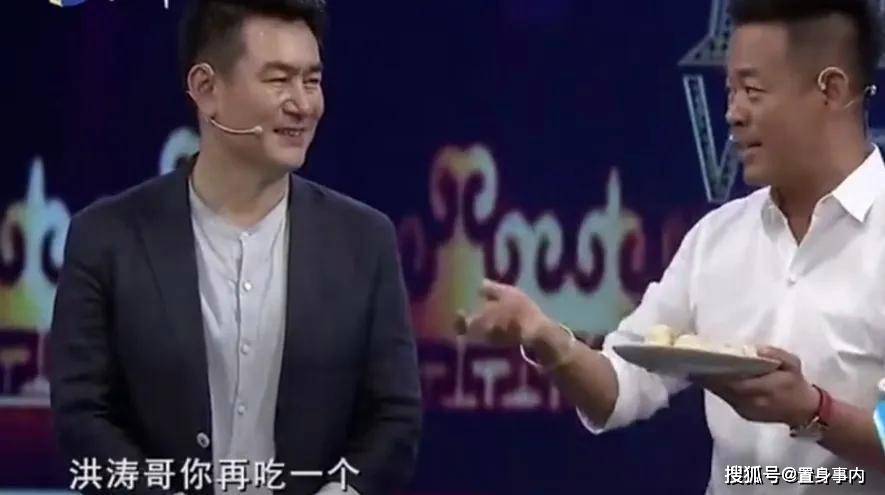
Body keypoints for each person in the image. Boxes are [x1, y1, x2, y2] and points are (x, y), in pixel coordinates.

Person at [459, 0, 885, 493]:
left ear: (831, 90)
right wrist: (548, 339)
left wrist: (813, 411)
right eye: (730, 92)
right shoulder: (717, 238)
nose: (733, 114)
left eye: (753, 91)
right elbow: (620, 387)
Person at [49, 1, 422, 494]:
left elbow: (393, 418)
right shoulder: (106, 238)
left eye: (311, 81)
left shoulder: (364, 241)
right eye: (278, 80)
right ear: (206, 88)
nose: (303, 104)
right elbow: (83, 415)